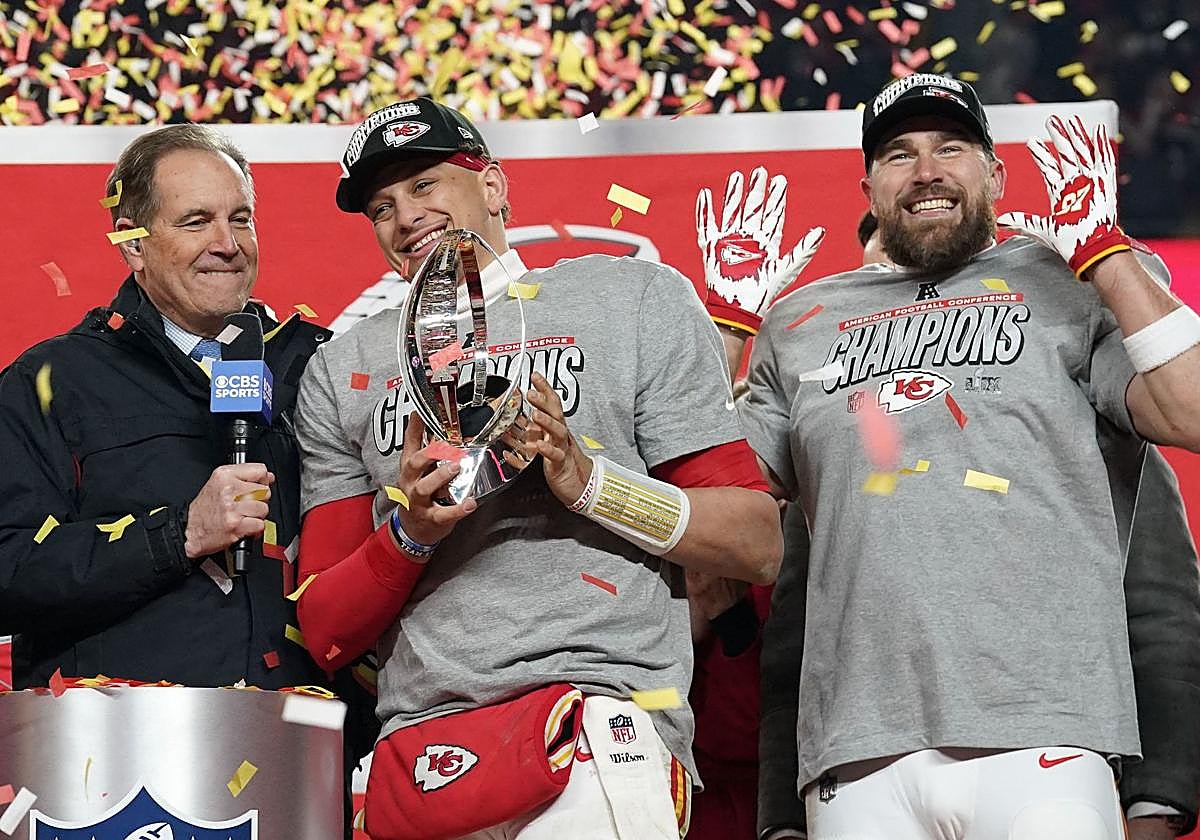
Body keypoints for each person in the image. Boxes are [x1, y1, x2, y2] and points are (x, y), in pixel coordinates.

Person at [291, 96, 782, 840]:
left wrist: (590, 483)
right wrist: (413, 532)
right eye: (381, 207)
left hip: (598, 718)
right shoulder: (343, 367)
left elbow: (756, 542)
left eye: (424, 185)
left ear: (492, 185)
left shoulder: (631, 298)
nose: (405, 216)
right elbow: (326, 629)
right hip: (425, 752)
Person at [730, 73, 1200, 838]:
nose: (926, 171)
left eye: (951, 147)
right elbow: (719, 507)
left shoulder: (1069, 285)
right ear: (869, 188)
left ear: (996, 174)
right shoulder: (801, 321)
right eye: (898, 154)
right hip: (856, 750)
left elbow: (1191, 410)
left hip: (1047, 731)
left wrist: (1106, 253)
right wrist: (729, 328)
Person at [0, 123, 330, 690]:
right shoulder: (51, 381)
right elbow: (7, 570)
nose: (227, 243)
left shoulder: (316, 365)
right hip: (119, 736)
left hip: (300, 727)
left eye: (241, 218)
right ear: (132, 243)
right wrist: (179, 534)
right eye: (196, 221)